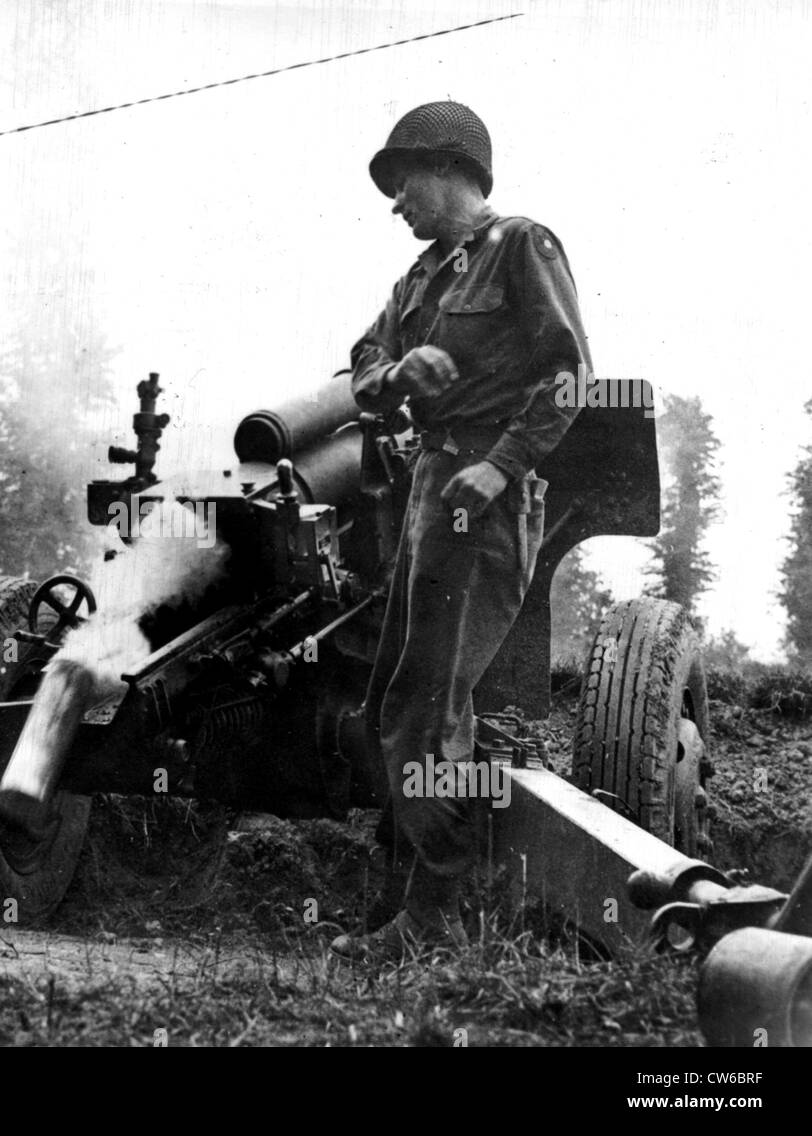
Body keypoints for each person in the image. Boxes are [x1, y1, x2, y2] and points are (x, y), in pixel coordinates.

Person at [330, 102, 591, 961]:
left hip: (484, 497)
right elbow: (360, 367)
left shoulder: (523, 245)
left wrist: (504, 463)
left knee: (424, 709)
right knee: (390, 706)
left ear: (447, 170)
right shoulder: (418, 282)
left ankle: (434, 921)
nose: (395, 204)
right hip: (427, 495)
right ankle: (416, 894)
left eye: (401, 184)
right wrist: (395, 372)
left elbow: (569, 373)